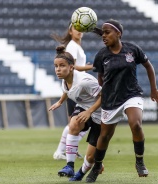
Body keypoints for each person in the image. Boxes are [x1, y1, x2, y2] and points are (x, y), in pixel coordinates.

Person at [85, 19, 158, 183]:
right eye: (103, 33)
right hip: (110, 99)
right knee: (105, 136)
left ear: (118, 34)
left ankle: (140, 161)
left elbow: (148, 66)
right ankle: (97, 167)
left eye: (107, 32)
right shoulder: (101, 55)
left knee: (135, 124)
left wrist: (154, 89)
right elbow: (100, 78)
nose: (104, 36)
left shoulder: (132, 49)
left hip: (131, 94)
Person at [49, 45, 103, 181]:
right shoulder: (65, 80)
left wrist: (90, 112)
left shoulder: (85, 82)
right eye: (56, 66)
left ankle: (81, 173)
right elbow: (67, 91)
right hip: (85, 107)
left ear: (71, 67)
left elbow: (105, 96)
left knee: (90, 157)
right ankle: (69, 166)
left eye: (62, 66)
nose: (58, 69)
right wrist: (60, 102)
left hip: (101, 114)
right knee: (73, 125)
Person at [51, 22, 93, 160]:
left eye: (81, 28)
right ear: (70, 31)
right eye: (76, 28)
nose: (79, 31)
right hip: (75, 88)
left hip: (77, 87)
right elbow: (72, 67)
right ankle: (60, 152)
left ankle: (67, 150)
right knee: (75, 124)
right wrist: (90, 67)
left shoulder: (77, 46)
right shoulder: (72, 47)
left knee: (76, 124)